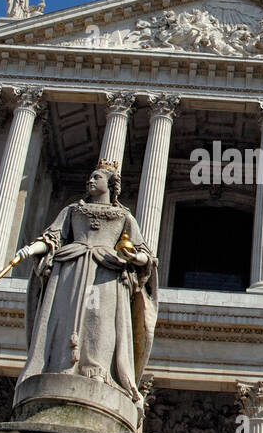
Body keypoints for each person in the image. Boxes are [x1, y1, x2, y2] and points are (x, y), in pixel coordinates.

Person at [13, 162, 156, 405]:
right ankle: (60, 364)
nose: (90, 181)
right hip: (70, 269)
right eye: (90, 177)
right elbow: (52, 239)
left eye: (96, 177)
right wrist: (29, 250)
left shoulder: (124, 216)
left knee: (99, 319)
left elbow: (145, 254)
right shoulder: (71, 210)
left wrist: (133, 257)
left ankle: (97, 368)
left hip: (106, 273)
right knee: (63, 316)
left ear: (110, 184)